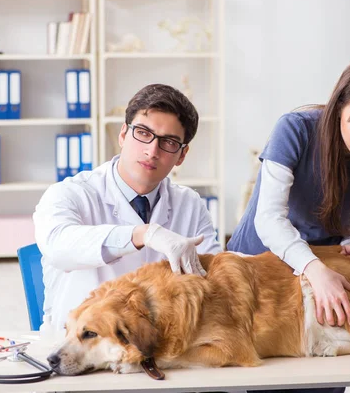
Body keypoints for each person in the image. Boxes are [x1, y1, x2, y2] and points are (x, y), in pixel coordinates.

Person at [228, 54, 350, 393]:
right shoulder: (295, 129)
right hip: (257, 268)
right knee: (259, 376)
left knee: (324, 374)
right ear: (340, 104)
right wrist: (313, 269)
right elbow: (269, 219)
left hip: (322, 274)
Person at [34, 84, 221, 330]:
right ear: (123, 135)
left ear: (182, 155)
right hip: (79, 347)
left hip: (158, 345)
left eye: (169, 142)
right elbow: (57, 246)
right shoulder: (71, 193)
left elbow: (214, 276)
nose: (152, 151)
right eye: (143, 133)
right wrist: (144, 234)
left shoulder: (190, 204)